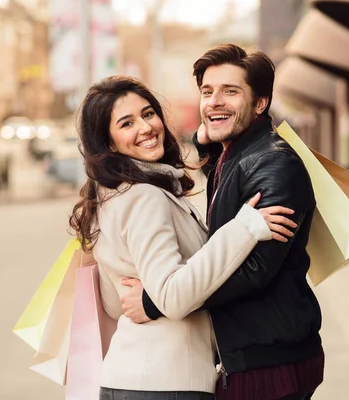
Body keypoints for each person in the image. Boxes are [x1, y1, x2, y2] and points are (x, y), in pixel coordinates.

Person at [68, 75, 298, 400]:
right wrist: (245, 228)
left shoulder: (109, 198)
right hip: (166, 383)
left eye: (148, 114)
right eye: (127, 123)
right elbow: (172, 297)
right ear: (108, 143)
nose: (146, 127)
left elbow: (115, 302)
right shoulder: (144, 198)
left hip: (127, 378)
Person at [122, 44, 325, 400]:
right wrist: (207, 145)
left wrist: (158, 302)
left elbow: (255, 271)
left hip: (270, 359)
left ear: (260, 103)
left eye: (230, 91)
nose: (214, 101)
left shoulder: (275, 165)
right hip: (251, 349)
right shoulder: (237, 151)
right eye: (207, 92)